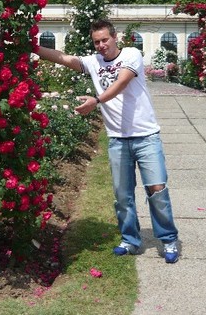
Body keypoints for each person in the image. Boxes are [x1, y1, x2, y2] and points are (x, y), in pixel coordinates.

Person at [36, 18, 179, 262]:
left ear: (115, 38)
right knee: (122, 195)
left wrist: (97, 101)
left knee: (157, 189)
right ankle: (130, 240)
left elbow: (122, 81)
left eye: (105, 40)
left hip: (145, 137)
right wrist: (32, 47)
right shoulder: (94, 62)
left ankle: (168, 240)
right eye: (96, 42)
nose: (101, 45)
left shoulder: (132, 54)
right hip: (118, 140)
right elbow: (63, 58)